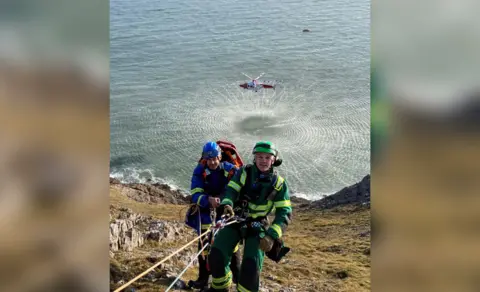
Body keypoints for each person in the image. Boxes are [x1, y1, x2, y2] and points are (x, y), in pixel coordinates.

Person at [206, 141, 293, 292]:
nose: (263, 161)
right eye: (260, 157)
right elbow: (232, 190)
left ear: (274, 160)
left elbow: (284, 213)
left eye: (267, 157)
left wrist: (271, 236)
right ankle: (220, 287)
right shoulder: (244, 172)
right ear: (254, 158)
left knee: (251, 265)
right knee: (217, 253)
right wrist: (227, 204)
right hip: (236, 217)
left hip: (258, 224)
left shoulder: (279, 184)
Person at [186, 141, 242, 290]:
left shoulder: (230, 170)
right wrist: (207, 200)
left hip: (226, 210)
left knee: (232, 245)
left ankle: (238, 277)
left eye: (215, 158)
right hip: (205, 212)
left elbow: (237, 187)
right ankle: (203, 279)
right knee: (204, 245)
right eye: (209, 159)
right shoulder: (200, 171)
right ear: (204, 159)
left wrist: (224, 200)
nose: (212, 162)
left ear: (220, 157)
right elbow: (195, 194)